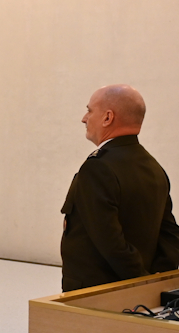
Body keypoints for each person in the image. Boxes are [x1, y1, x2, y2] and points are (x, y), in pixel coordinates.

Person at [61, 85, 179, 291]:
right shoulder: (153, 167)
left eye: (89, 110)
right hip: (134, 292)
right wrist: (157, 279)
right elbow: (170, 233)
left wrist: (140, 282)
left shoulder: (98, 167)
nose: (84, 118)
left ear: (108, 117)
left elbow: (110, 241)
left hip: (95, 293)